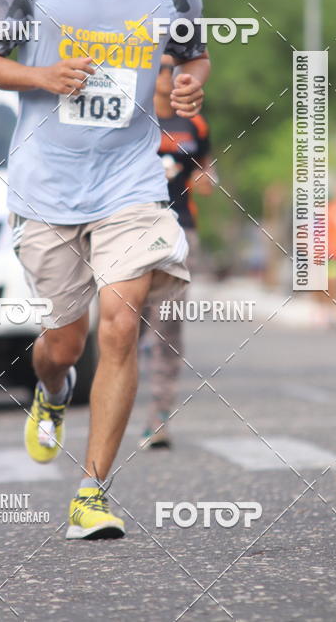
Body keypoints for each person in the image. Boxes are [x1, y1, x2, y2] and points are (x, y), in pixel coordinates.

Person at [0, 0, 210, 540]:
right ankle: (50, 391)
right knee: (64, 343)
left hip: (130, 184)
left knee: (121, 324)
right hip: (46, 186)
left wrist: (189, 87)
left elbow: (191, 58)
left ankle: (92, 491)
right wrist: (43, 76)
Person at [139, 53, 214, 449]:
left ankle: (158, 415)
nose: (165, 82)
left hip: (180, 232)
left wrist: (206, 179)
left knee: (166, 325)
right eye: (158, 73)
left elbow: (205, 168)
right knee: (124, 326)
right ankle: (114, 405)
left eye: (170, 72)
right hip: (129, 230)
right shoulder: (133, 119)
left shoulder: (194, 123)